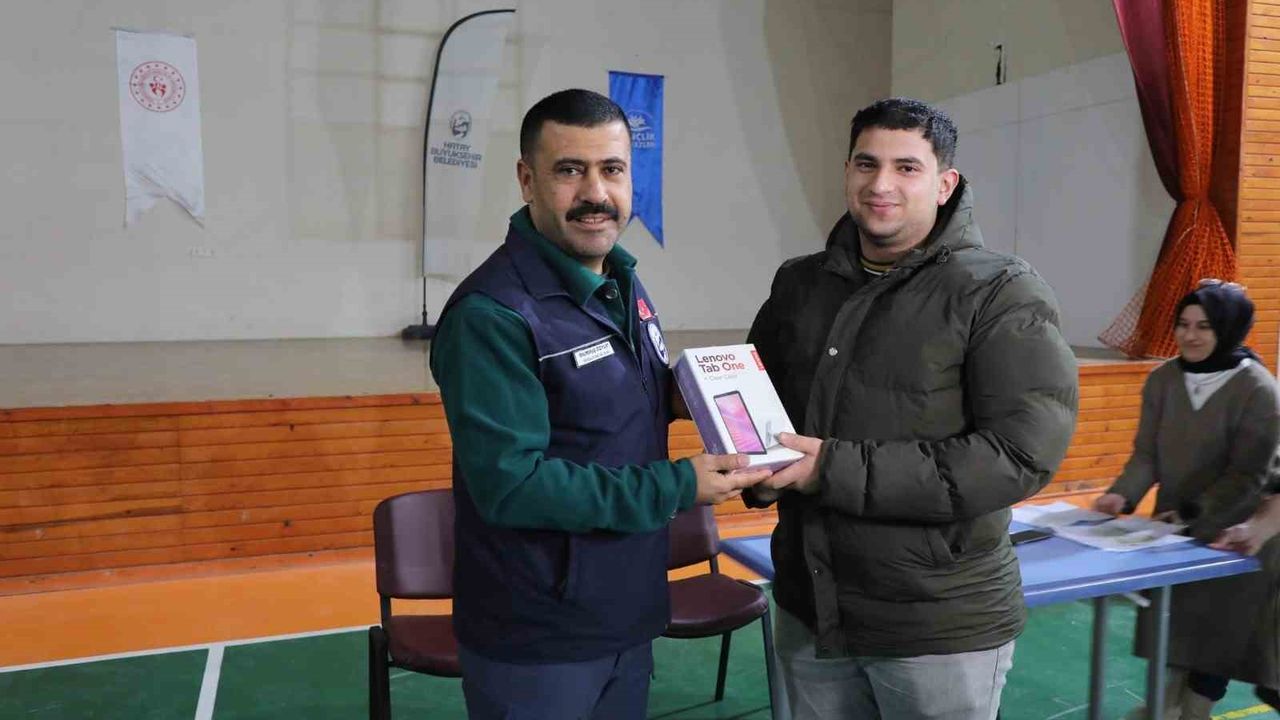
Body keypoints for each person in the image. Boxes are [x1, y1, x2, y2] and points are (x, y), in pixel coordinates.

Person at [429, 89, 771, 720]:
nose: (596, 193)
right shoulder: (492, 315)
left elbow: (613, 399)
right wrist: (677, 485)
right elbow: (512, 486)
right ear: (527, 180)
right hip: (538, 634)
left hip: (625, 611)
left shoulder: (620, 279)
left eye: (612, 169)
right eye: (569, 170)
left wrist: (691, 394)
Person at [743, 97, 1079, 719]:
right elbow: (760, 406)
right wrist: (752, 464)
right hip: (810, 606)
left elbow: (1018, 455)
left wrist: (829, 469)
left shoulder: (1000, 291)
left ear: (945, 184)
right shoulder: (799, 283)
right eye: (866, 164)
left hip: (938, 624)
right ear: (847, 170)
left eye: (907, 167)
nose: (881, 184)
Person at [1094, 280, 1280, 720]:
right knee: (1175, 626)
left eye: (1204, 327)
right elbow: (1146, 453)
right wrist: (1122, 494)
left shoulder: (1257, 388)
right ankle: (1166, 705)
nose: (1190, 335)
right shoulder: (1163, 380)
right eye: (1183, 324)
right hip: (1174, 529)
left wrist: (1195, 512)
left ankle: (1195, 710)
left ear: (1229, 330)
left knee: (1220, 633)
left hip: (1238, 532)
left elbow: (1249, 474)